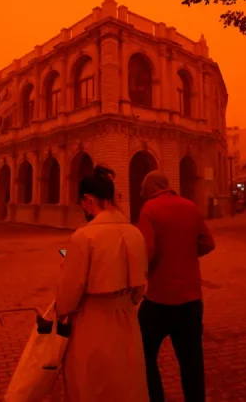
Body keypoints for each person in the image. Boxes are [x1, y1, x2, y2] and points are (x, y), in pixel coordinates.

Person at [55, 165, 150, 402]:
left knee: (93, 387)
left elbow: (68, 295)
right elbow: (140, 287)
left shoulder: (83, 236)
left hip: (92, 322)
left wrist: (61, 313)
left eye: (83, 204)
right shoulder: (135, 233)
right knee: (126, 386)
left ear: (88, 200)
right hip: (127, 320)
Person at [136, 170, 215, 402]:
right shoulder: (190, 206)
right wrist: (186, 253)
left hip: (159, 300)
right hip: (191, 301)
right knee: (192, 363)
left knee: (143, 353)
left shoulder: (149, 209)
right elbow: (208, 242)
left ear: (151, 189)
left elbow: (147, 252)